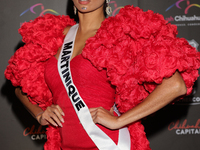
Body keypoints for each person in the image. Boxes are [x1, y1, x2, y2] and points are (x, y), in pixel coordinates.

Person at [5, 0, 200, 149]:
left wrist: (119, 121)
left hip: (107, 143)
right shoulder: (54, 36)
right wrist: (40, 114)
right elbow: (19, 86)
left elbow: (176, 85)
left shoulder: (120, 33)